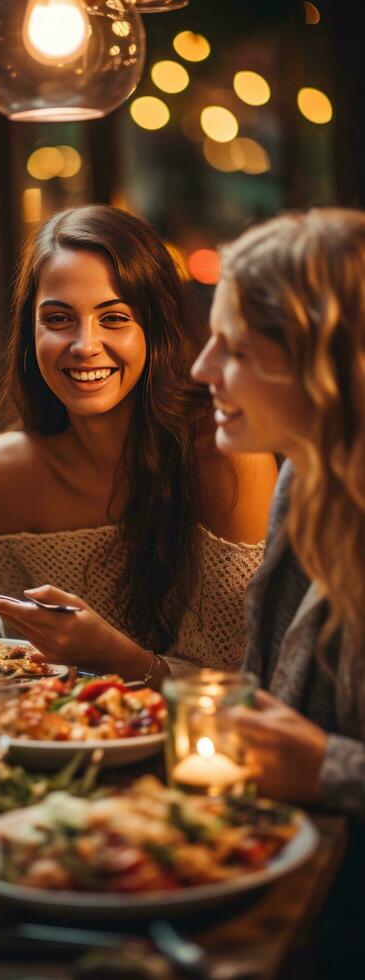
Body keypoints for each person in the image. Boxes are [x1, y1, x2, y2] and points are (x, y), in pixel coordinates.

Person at [0, 205, 277, 684]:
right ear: (31, 330)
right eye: (58, 318)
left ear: (156, 327)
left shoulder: (225, 453)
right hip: (66, 746)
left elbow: (240, 684)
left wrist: (114, 655)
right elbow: (26, 676)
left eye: (114, 318)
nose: (85, 345)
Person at [191, 207, 365, 819]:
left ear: (325, 368)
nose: (201, 369)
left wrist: (329, 771)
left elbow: (313, 756)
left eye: (234, 347)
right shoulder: (303, 476)